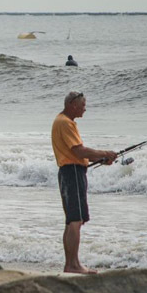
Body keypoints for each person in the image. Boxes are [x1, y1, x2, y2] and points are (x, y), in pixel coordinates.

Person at [51, 91, 117, 274]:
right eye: (83, 105)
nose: (85, 109)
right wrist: (105, 153)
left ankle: (70, 264)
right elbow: (79, 151)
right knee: (76, 220)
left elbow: (76, 153)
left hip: (69, 171)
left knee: (72, 220)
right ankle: (73, 265)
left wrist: (100, 158)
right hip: (72, 172)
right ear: (73, 104)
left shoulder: (61, 121)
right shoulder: (65, 123)